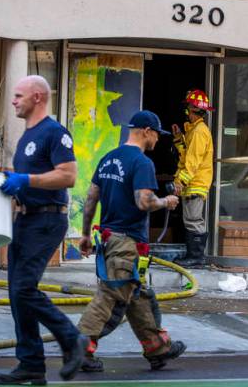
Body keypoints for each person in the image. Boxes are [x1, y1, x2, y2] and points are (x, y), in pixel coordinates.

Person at [0, 75, 87, 386]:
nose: (14, 101)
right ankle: (30, 363)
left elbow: (68, 176)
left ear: (37, 97)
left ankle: (72, 338)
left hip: (47, 220)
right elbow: (31, 178)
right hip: (25, 218)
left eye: (19, 95)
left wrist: (27, 181)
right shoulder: (26, 137)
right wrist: (12, 184)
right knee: (16, 293)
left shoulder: (55, 133)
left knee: (24, 288)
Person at [77, 110, 187, 372]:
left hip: (110, 239)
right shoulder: (142, 162)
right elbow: (144, 201)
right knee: (112, 296)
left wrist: (84, 234)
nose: (158, 141)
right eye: (156, 135)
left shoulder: (108, 159)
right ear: (146, 131)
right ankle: (79, 348)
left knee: (137, 294)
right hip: (127, 243)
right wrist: (167, 201)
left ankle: (157, 347)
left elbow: (91, 198)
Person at [171, 89, 215, 268]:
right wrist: (178, 139)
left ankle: (196, 257)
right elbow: (185, 155)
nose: (186, 112)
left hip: (195, 183)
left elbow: (192, 162)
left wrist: (180, 181)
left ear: (194, 110)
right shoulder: (194, 131)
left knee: (193, 220)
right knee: (190, 218)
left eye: (188, 108)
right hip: (193, 182)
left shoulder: (199, 132)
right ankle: (193, 256)